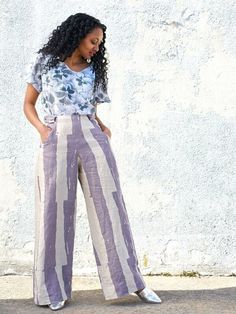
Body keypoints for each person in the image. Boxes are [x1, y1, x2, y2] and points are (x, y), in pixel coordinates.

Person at [23, 12, 162, 311]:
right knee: (53, 212)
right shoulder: (45, 63)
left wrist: (101, 124)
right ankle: (52, 290)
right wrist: (43, 132)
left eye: (99, 43)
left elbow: (89, 106)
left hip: (91, 134)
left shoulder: (94, 71)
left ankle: (132, 283)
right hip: (55, 136)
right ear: (78, 35)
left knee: (111, 208)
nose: (96, 48)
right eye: (93, 41)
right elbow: (28, 103)